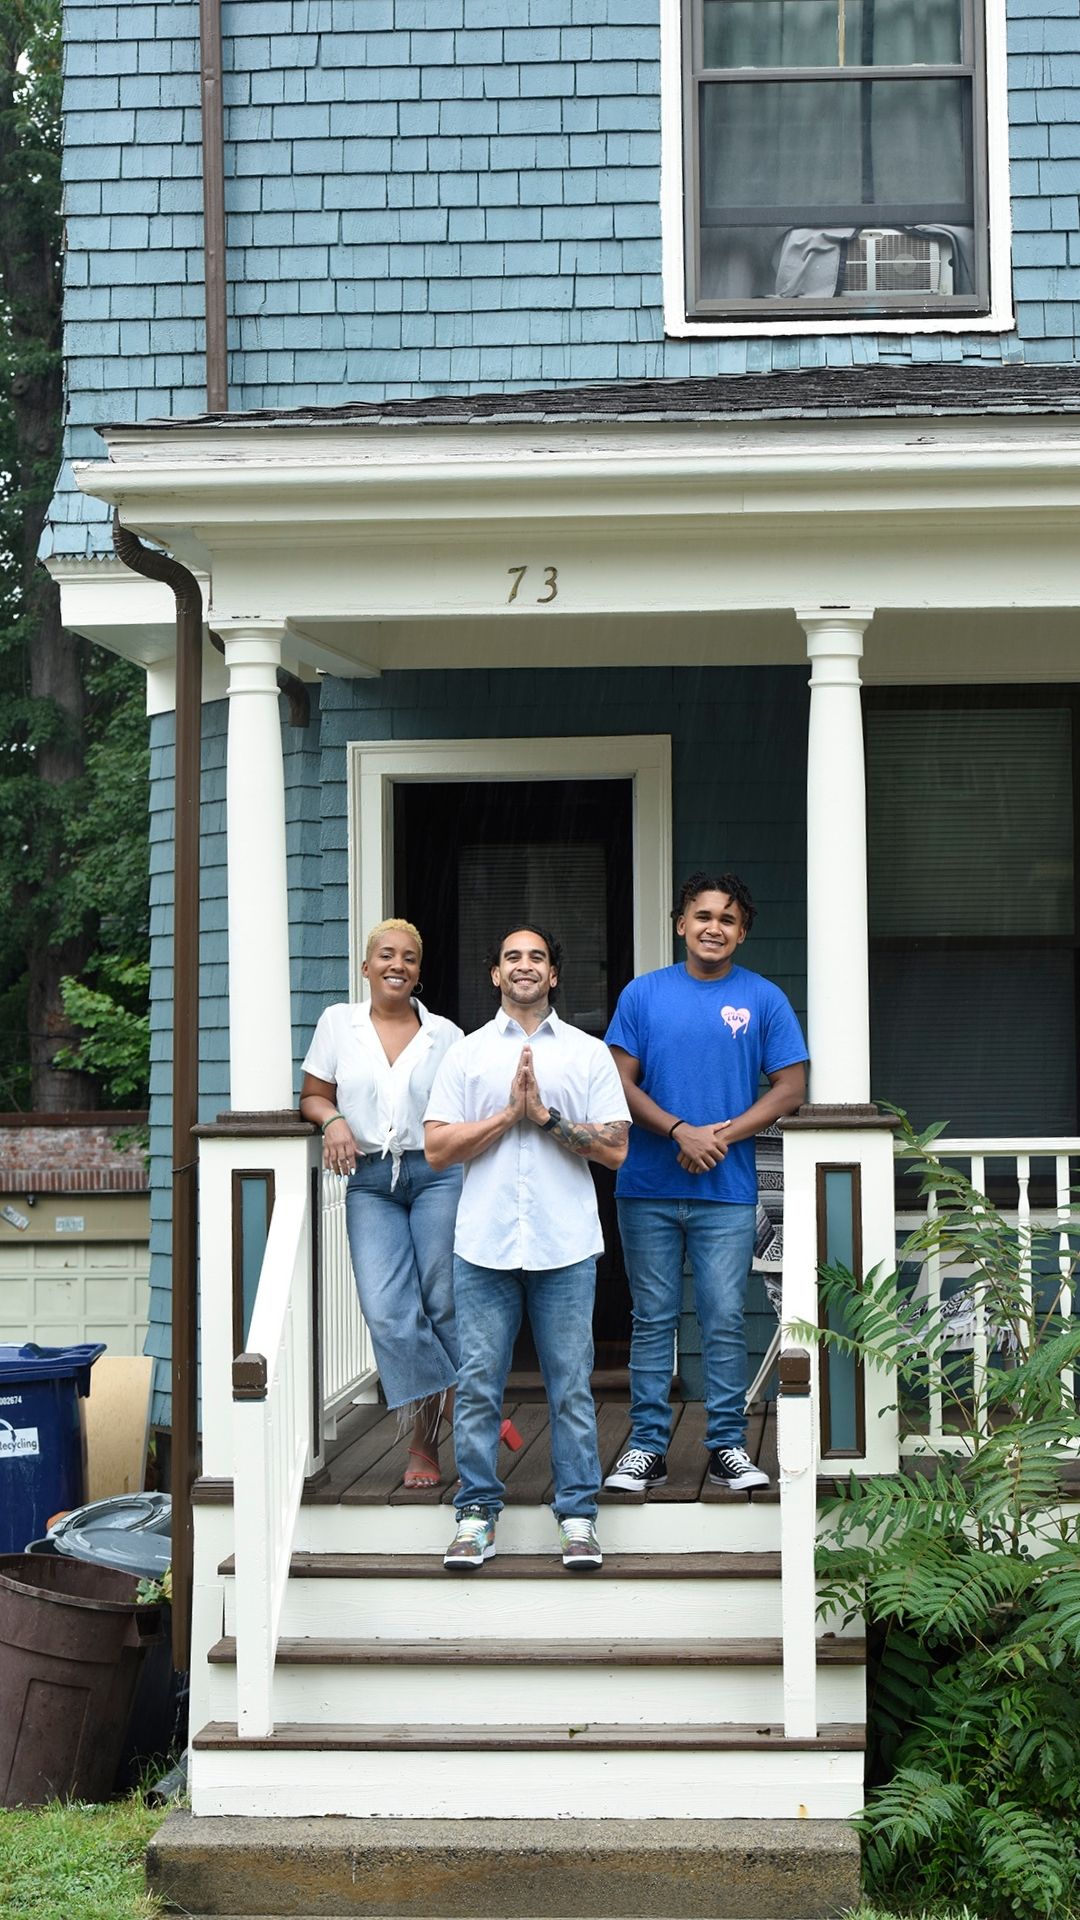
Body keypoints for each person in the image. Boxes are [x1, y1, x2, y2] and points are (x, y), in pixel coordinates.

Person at [424, 926, 630, 1572]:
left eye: (537, 956)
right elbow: (436, 1149)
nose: (524, 966)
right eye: (511, 955)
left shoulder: (588, 1054)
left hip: (564, 1244)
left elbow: (617, 1149)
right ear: (494, 973)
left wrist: (544, 1118)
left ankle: (577, 1518)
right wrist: (506, 1116)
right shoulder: (467, 1054)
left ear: (554, 974)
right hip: (483, 1244)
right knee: (481, 1384)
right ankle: (476, 1514)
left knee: (570, 1386)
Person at [603, 872, 807, 1494]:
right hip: (647, 1186)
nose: (713, 927)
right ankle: (646, 1448)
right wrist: (679, 1131)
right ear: (680, 924)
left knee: (721, 1319)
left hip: (727, 1187)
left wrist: (719, 1137)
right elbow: (619, 1082)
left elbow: (792, 1088)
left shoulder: (765, 999)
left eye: (726, 919)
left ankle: (726, 1446)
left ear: (741, 933)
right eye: (702, 916)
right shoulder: (644, 995)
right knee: (652, 1318)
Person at [299, 918, 463, 1488]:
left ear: (419, 971)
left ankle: (425, 1443)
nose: (399, 965)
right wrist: (335, 1120)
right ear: (366, 967)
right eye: (387, 955)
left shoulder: (447, 1034)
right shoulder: (336, 1024)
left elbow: (462, 1114)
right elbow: (314, 1095)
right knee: (389, 1312)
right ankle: (468, 1402)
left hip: (439, 1174)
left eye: (410, 958)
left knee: (441, 1301)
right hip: (370, 1180)